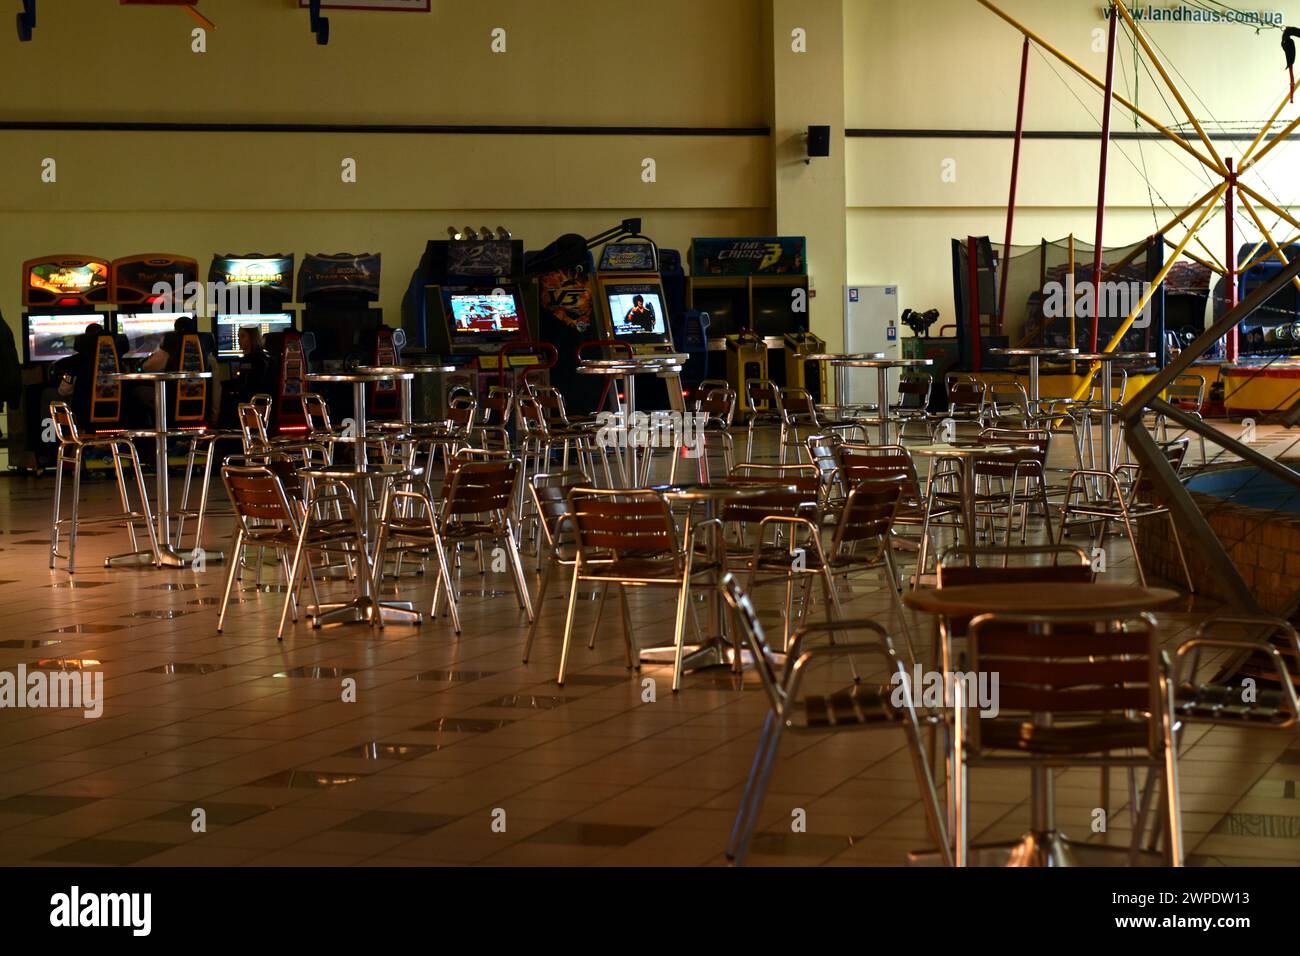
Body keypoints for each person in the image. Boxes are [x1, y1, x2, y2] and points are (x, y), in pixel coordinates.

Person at [219, 325, 273, 426]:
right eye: (238, 337)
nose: (239, 340)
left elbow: (254, 384)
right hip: (246, 401)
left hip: (253, 403)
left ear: (252, 338)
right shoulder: (247, 358)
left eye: (243, 336)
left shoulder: (259, 359)